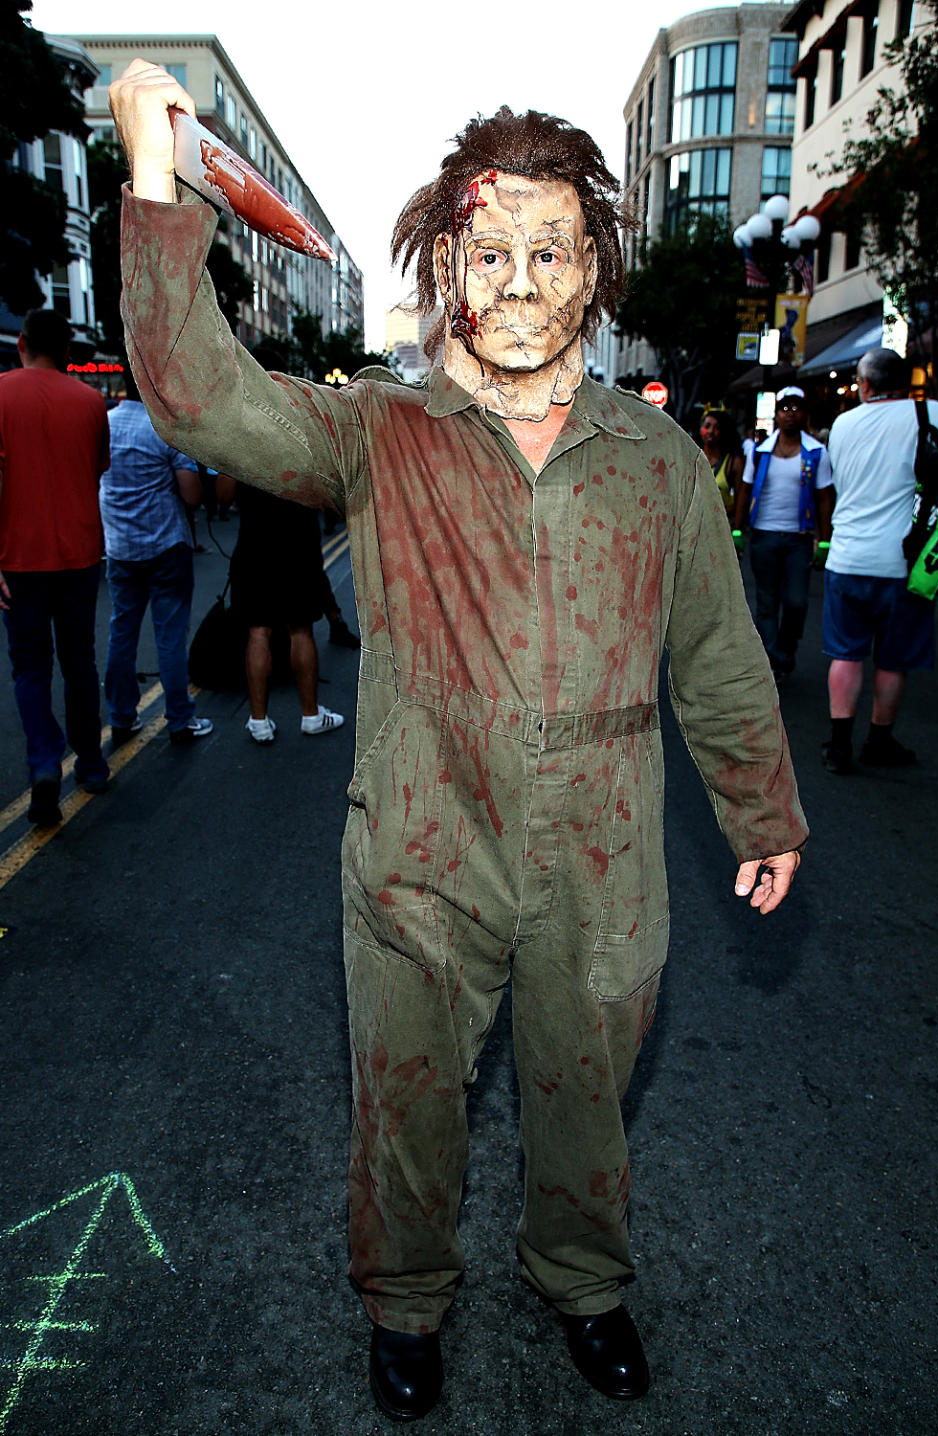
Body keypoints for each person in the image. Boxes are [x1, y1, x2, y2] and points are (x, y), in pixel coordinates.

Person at [111, 62, 808, 1422]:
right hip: (421, 856)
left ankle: (583, 1281)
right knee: (409, 1108)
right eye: (493, 250)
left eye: (554, 248)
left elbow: (718, 653)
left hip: (604, 869)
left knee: (587, 1105)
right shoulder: (380, 435)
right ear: (448, 267)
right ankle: (408, 1302)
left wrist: (763, 810)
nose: (525, 279)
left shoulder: (659, 465)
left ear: (597, 267)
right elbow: (195, 393)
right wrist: (153, 172)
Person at [820, 348, 938, 774]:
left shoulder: (843, 424)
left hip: (846, 557)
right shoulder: (936, 415)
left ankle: (838, 745)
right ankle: (879, 739)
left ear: (864, 384)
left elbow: (840, 481)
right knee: (893, 659)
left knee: (845, 654)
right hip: (905, 563)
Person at [0, 308, 111, 825]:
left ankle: (45, 762)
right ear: (68, 352)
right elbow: (95, 468)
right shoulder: (91, 402)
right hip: (79, 553)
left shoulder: (1, 393)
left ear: (21, 343)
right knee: (78, 660)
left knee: (29, 666)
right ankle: (90, 761)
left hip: (19, 557)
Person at [99, 365, 214, 746]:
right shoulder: (163, 429)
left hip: (120, 548)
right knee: (169, 637)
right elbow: (192, 495)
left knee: (122, 632)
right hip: (165, 546)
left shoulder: (104, 424)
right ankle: (180, 719)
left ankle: (120, 716)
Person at [214, 472, 347, 742]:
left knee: (258, 631)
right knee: (300, 629)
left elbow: (223, 496)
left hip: (254, 543)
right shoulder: (302, 431)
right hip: (299, 542)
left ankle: (259, 721)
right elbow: (328, 494)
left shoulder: (242, 435)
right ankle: (311, 715)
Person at [734, 386, 833, 680]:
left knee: (796, 602)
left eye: (796, 409)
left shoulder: (816, 452)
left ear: (804, 414)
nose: (790, 414)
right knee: (766, 601)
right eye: (785, 409)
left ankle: (785, 649)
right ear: (776, 414)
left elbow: (825, 497)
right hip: (764, 536)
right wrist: (738, 530)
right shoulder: (760, 451)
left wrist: (824, 540)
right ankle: (774, 661)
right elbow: (745, 489)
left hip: (797, 539)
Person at [697, 405, 743, 545]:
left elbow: (741, 499)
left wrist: (737, 532)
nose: (710, 431)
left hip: (721, 534)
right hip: (694, 533)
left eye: (716, 427)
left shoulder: (733, 462)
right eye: (707, 426)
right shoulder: (690, 458)